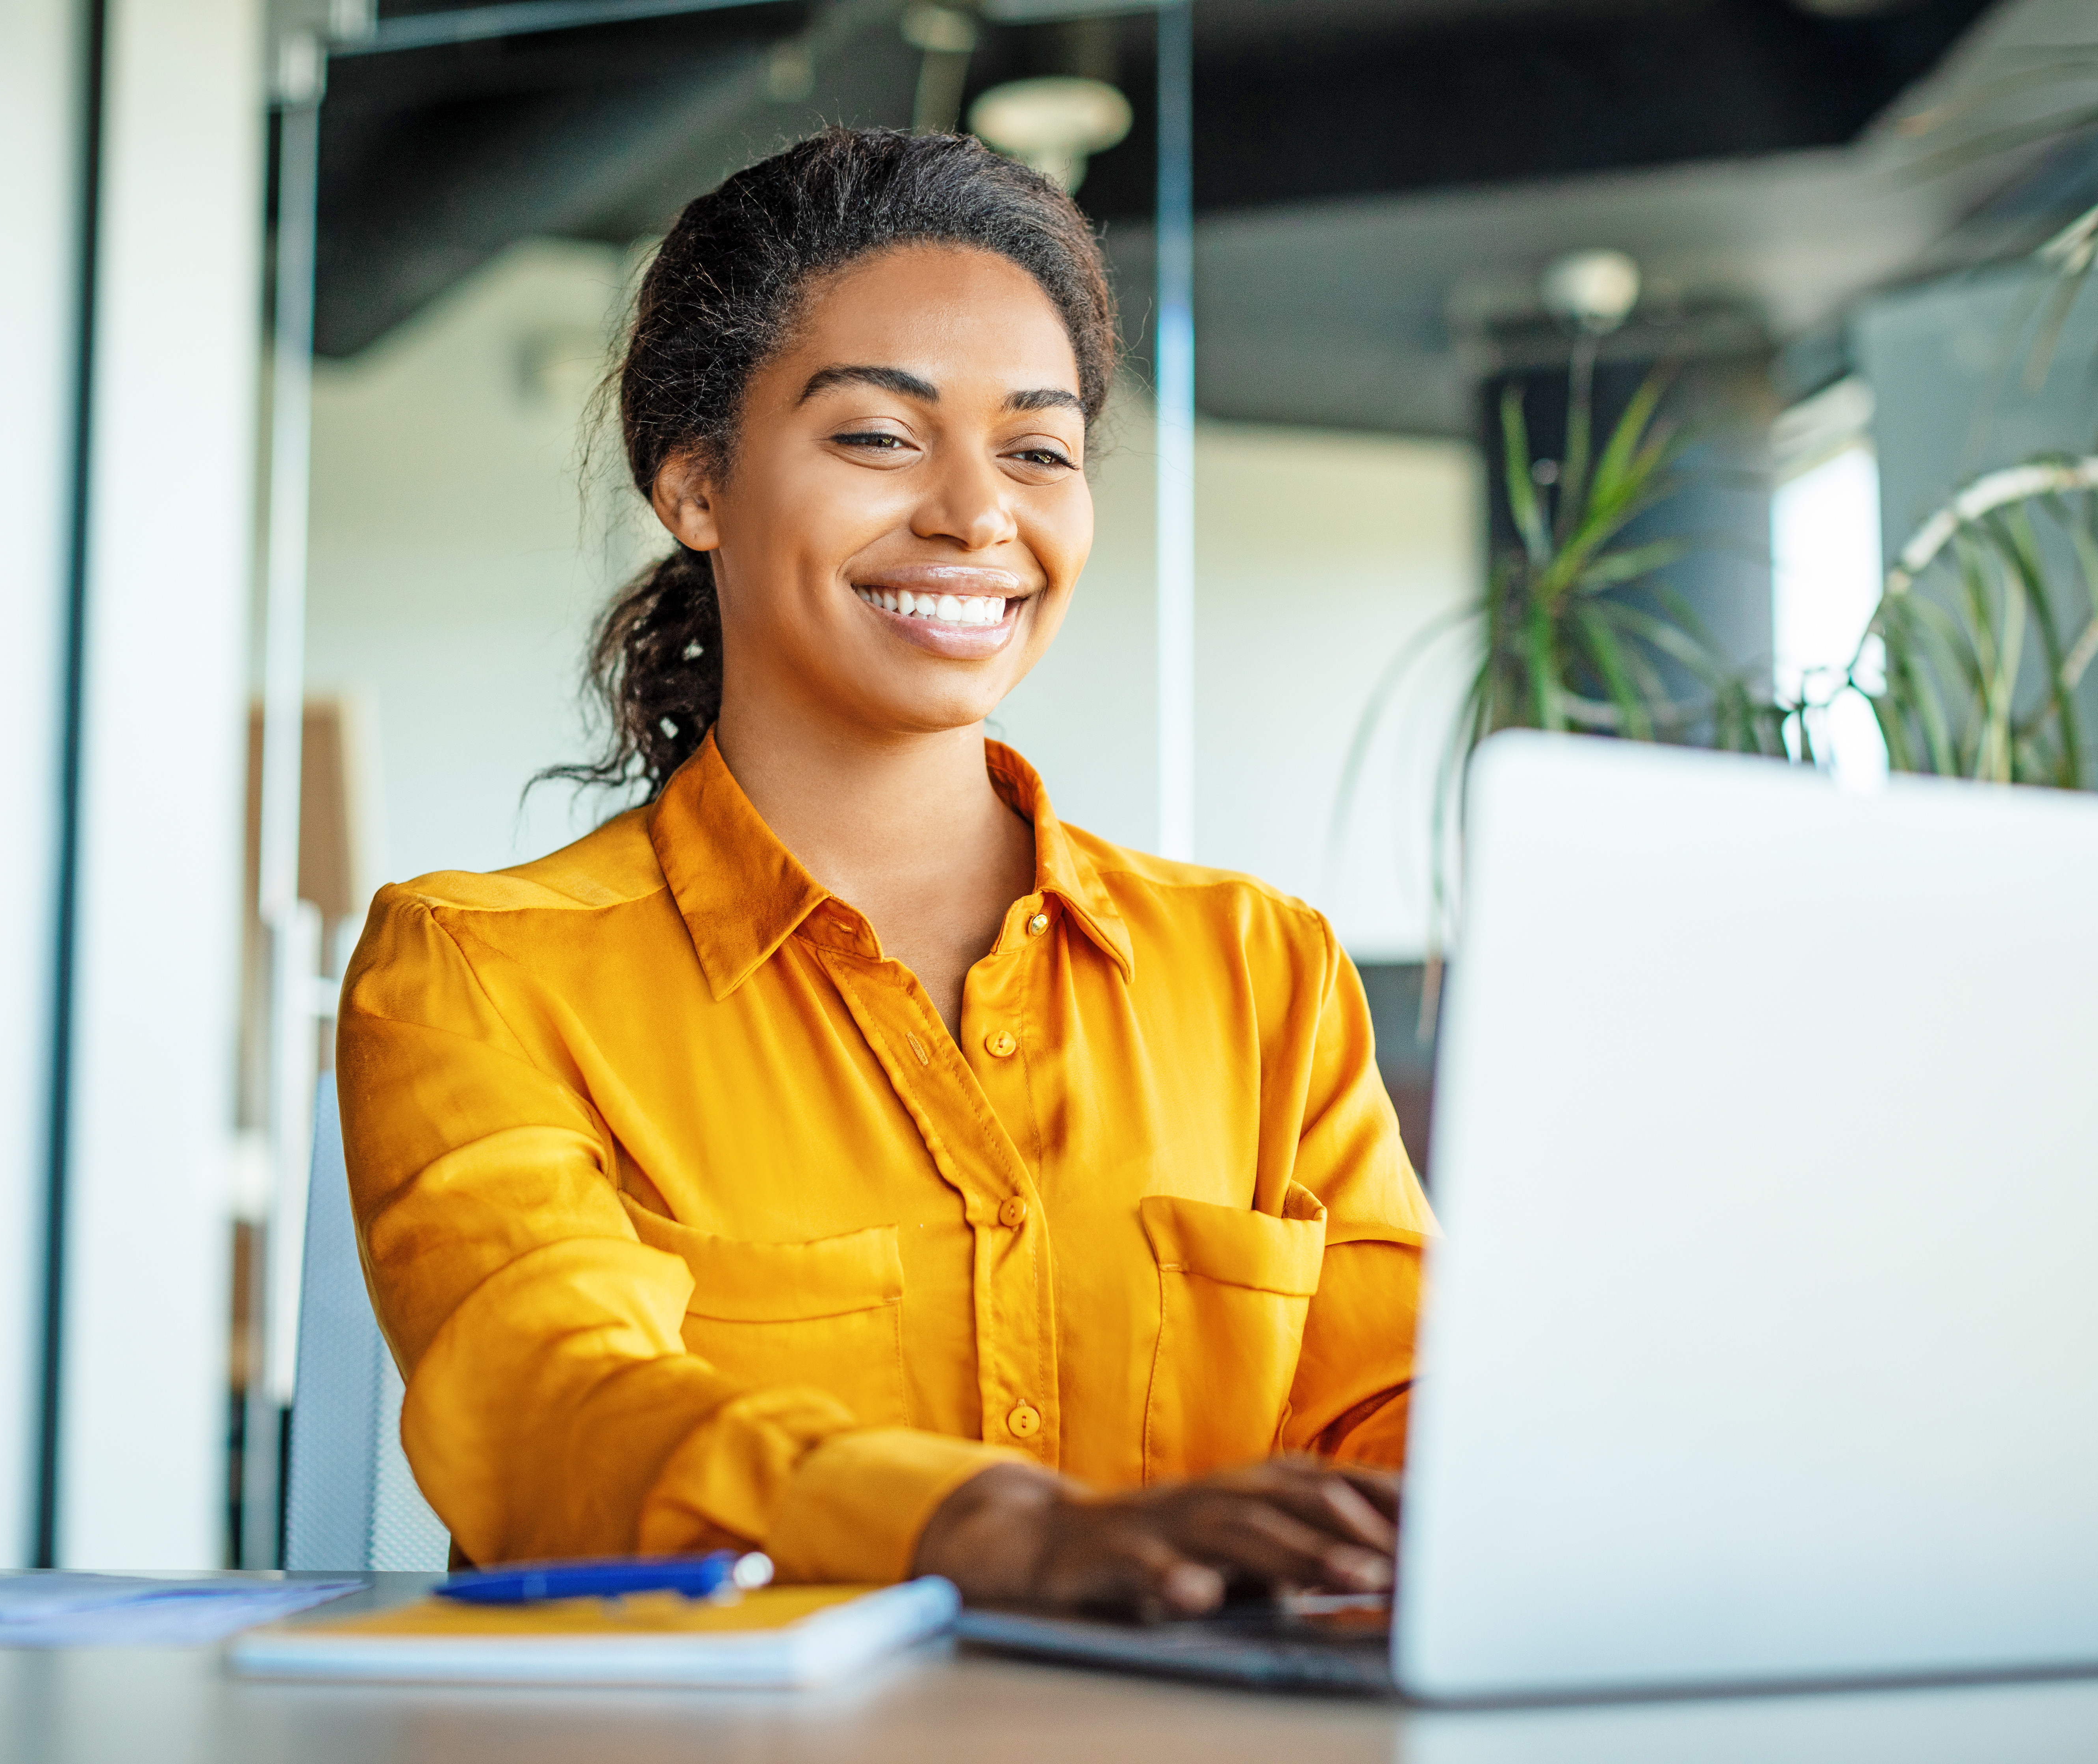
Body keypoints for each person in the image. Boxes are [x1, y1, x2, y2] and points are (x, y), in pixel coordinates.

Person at [336, 126, 1435, 1619]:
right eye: (879, 436)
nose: (978, 514)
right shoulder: (480, 973)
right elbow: (550, 1409)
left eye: (1038, 450)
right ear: (695, 486)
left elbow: (1405, 1412)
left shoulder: (1258, 973)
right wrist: (983, 1530)